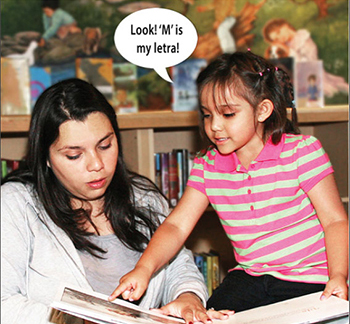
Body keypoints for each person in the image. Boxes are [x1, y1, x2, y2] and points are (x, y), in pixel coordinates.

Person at [110, 51, 349, 312]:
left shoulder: (302, 152)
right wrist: (144, 269)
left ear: (263, 110)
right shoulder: (207, 165)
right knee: (210, 316)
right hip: (250, 278)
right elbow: (177, 225)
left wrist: (338, 275)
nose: (215, 126)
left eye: (228, 114)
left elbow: (335, 220)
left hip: (309, 278)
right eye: (207, 115)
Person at [1, 78, 233, 324]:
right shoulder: (16, 205)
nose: (96, 165)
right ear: (45, 157)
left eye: (105, 145)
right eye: (74, 155)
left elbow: (178, 266)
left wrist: (189, 298)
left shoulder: (144, 198)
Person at [262, 18, 348, 98]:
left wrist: (289, 51)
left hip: (311, 72)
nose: (280, 38)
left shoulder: (303, 39)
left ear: (285, 25)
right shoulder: (286, 46)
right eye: (276, 39)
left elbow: (307, 63)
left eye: (278, 33)